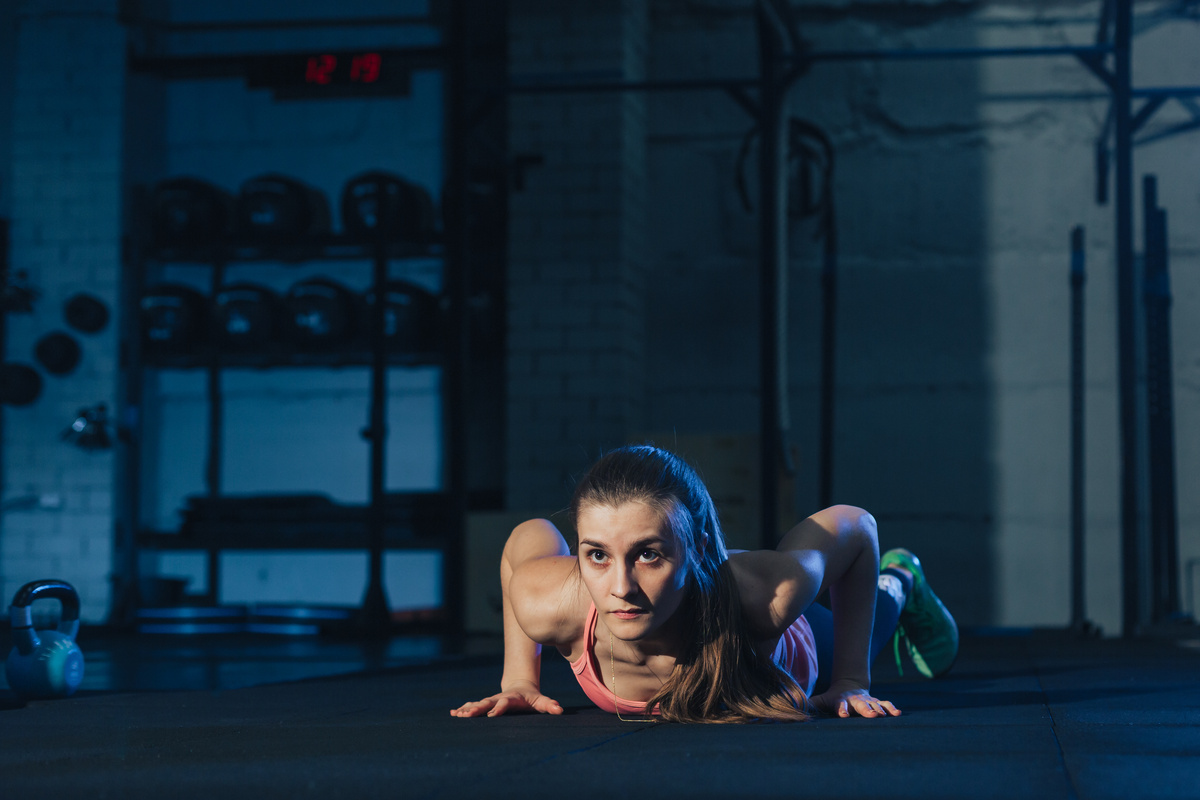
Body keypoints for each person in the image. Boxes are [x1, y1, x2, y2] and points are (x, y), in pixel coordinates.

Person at [451, 445, 958, 723]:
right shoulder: (550, 604)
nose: (621, 587)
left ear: (693, 547)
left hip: (797, 642)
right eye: (598, 555)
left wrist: (851, 681)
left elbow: (856, 525)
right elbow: (528, 537)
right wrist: (520, 679)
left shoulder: (766, 597)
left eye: (648, 554)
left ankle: (902, 578)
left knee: (875, 628)